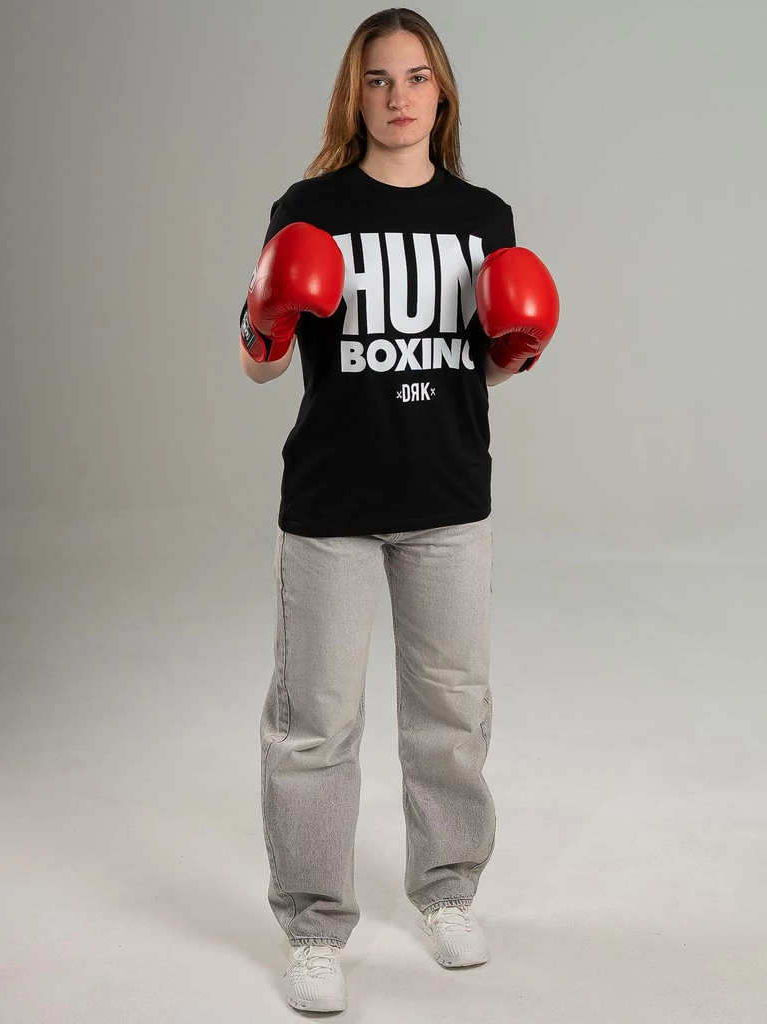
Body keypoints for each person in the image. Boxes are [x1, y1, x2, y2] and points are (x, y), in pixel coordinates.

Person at [238, 8, 559, 1013]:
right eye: (378, 79)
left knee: (451, 716)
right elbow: (261, 365)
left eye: (417, 77)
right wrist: (269, 315)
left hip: (448, 499)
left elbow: (481, 368)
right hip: (331, 502)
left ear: (442, 93)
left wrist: (515, 350)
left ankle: (448, 891)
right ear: (356, 95)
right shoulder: (308, 208)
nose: (398, 96)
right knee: (313, 726)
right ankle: (313, 927)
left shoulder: (483, 216)